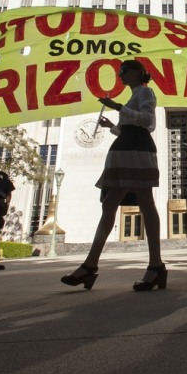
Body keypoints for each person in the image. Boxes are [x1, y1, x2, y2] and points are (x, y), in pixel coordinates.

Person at [61, 59, 165, 291]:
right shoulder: (133, 97)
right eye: (120, 73)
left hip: (136, 148)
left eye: (124, 72)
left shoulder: (146, 93)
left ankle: (154, 265)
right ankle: (91, 264)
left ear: (138, 72)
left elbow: (148, 122)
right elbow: (128, 126)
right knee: (110, 203)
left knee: (144, 202)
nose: (121, 77)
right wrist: (112, 126)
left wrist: (118, 107)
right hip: (126, 145)